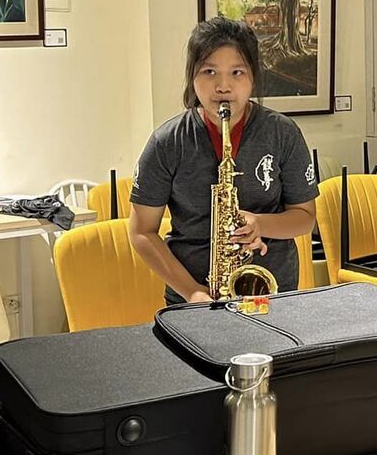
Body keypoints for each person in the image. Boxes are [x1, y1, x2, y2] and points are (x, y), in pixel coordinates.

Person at [129, 17, 317, 303]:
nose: (223, 86)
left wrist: (260, 224)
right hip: (193, 299)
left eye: (237, 72)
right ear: (192, 77)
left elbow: (305, 218)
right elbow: (142, 232)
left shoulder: (283, 133)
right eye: (209, 71)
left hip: (272, 295)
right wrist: (192, 291)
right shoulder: (167, 142)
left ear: (253, 77)